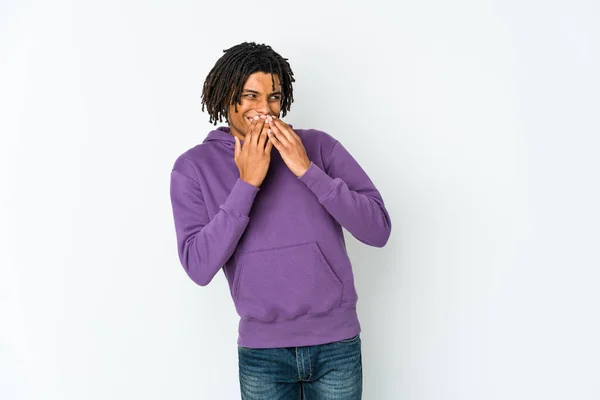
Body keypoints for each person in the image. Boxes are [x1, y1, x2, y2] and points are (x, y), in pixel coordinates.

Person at [169, 42, 391, 400]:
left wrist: (306, 169)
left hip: (336, 343)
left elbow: (378, 230)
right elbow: (198, 266)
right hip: (262, 353)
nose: (264, 109)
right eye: (250, 96)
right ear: (227, 97)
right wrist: (247, 183)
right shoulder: (193, 168)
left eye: (273, 97)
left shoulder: (319, 147)